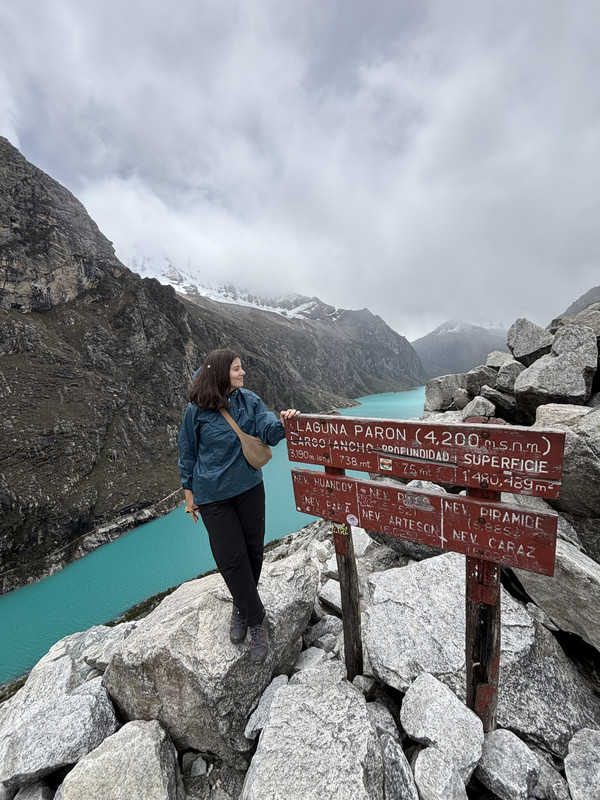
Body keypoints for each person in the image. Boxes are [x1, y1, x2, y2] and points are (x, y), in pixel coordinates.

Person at [177, 348, 300, 663]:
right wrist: (188, 493)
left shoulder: (249, 400)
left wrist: (284, 423)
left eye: (241, 368)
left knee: (253, 551)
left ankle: (241, 604)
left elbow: (267, 430)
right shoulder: (197, 410)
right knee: (231, 559)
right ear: (220, 372)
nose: (242, 373)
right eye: (236, 369)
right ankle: (256, 619)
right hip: (213, 495)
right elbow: (187, 451)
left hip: (249, 488)